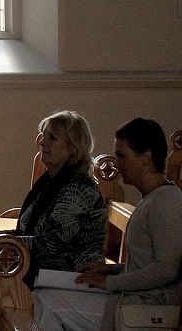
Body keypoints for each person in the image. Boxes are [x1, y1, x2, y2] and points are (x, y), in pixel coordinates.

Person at [35, 118, 182, 331]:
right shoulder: (152, 198)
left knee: (50, 305)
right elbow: (148, 261)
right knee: (44, 294)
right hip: (131, 295)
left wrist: (109, 282)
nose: (116, 163)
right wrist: (111, 270)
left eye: (122, 155)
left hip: (146, 308)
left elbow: (166, 270)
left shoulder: (166, 201)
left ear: (146, 157)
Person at [15, 111, 106, 287]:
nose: (42, 142)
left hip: (71, 280)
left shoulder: (80, 189)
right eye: (43, 136)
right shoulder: (51, 181)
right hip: (45, 274)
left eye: (52, 138)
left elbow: (51, 243)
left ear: (73, 147)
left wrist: (1, 242)